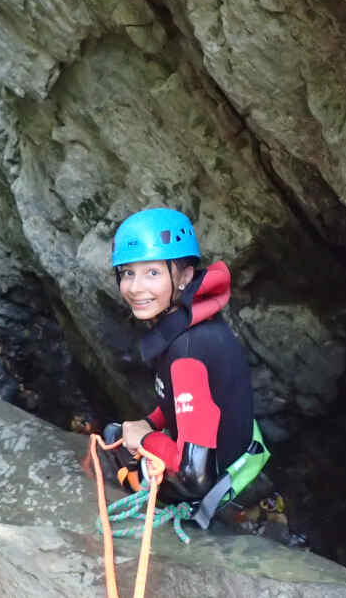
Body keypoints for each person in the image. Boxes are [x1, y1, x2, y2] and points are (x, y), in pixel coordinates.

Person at [103, 208, 268, 525]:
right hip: (241, 460)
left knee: (120, 445)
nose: (136, 288)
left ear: (185, 276)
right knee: (118, 434)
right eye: (127, 273)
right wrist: (149, 422)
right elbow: (186, 402)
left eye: (152, 273)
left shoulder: (188, 353)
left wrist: (146, 439)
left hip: (222, 492)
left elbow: (194, 476)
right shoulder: (190, 325)